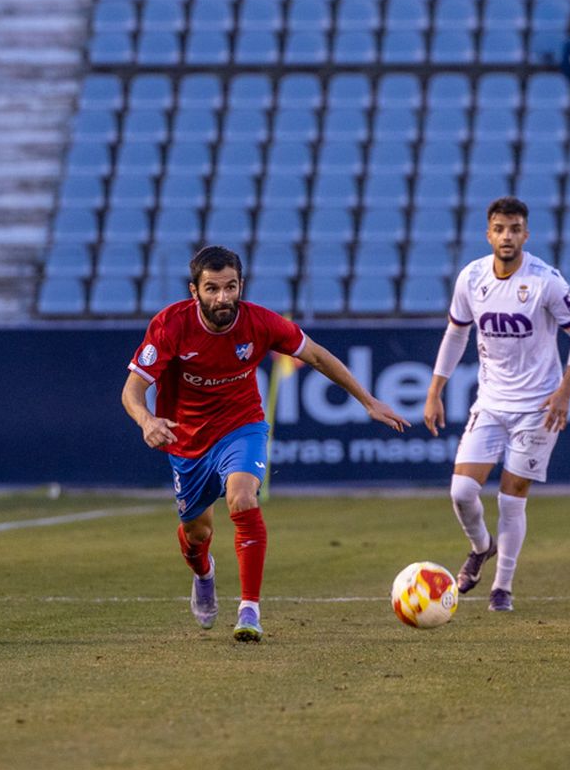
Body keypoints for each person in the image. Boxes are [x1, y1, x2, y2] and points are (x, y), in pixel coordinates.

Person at [121, 246, 408, 642]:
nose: (222, 297)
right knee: (196, 533)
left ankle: (249, 610)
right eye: (212, 289)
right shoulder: (170, 325)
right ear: (195, 291)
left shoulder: (260, 322)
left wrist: (368, 400)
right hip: (187, 441)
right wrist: (146, 419)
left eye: (230, 287)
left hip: (243, 426)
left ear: (241, 285)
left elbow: (319, 357)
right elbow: (132, 390)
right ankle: (204, 574)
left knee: (243, 498)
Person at [423, 198, 570, 614]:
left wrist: (565, 391)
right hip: (492, 401)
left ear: (526, 234)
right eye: (499, 228)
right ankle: (481, 548)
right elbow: (456, 335)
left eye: (515, 229)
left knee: (511, 497)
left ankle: (503, 587)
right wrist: (434, 390)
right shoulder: (471, 277)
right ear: (488, 234)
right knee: (462, 491)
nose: (507, 236)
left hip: (539, 406)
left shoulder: (545, 281)